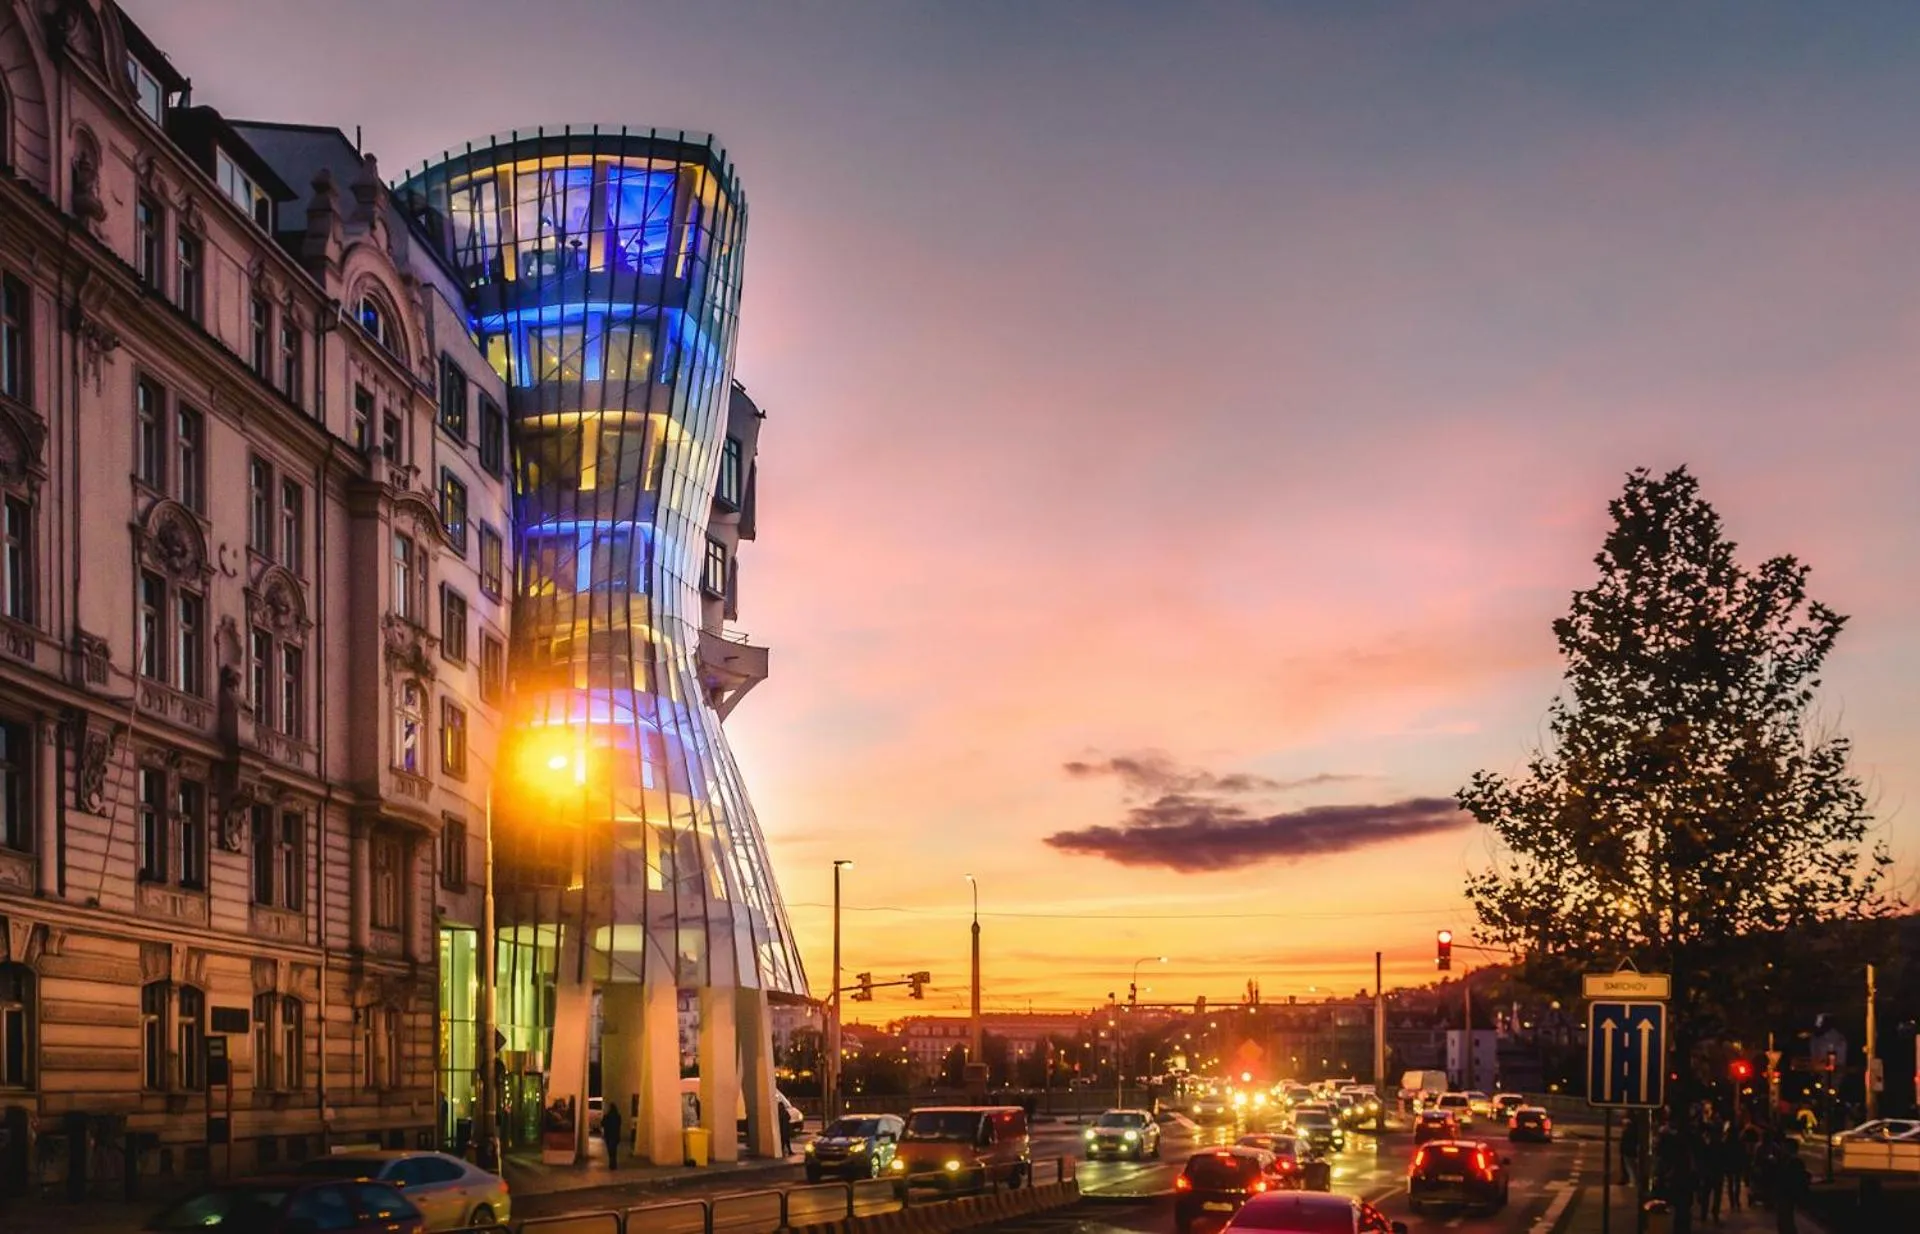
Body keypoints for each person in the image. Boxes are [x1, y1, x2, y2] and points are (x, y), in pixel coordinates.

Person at [600, 1099, 624, 1170]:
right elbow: (619, 1125)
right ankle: (614, 1164)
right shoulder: (618, 1116)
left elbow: (602, 1124)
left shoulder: (606, 1116)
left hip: (608, 1135)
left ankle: (611, 1163)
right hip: (615, 1135)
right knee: (614, 1150)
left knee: (610, 1150)